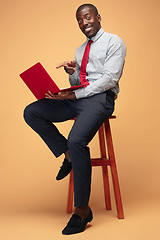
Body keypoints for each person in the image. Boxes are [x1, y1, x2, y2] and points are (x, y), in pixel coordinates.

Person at [23, 3, 126, 235]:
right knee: (32, 111)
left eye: (87, 18)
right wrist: (71, 75)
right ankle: (68, 155)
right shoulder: (80, 50)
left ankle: (82, 210)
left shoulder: (114, 42)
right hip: (79, 98)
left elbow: (109, 79)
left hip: (101, 100)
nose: (84, 23)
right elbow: (79, 83)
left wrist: (76, 93)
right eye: (80, 20)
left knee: (77, 141)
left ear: (98, 17)